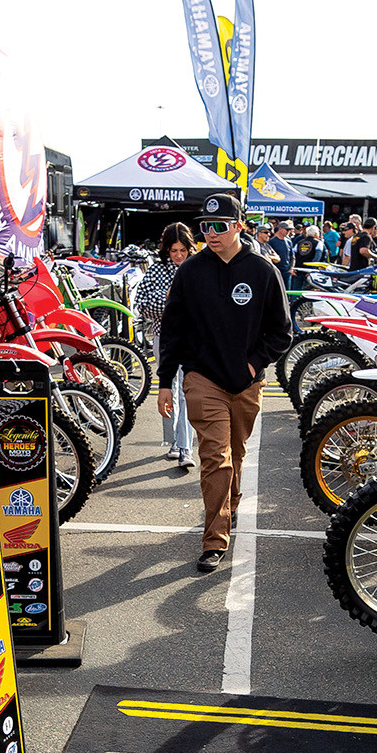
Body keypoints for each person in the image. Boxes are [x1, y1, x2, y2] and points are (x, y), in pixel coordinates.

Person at [155, 192, 292, 574]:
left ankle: (227, 504)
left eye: (220, 226)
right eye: (205, 227)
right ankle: (214, 540)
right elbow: (173, 331)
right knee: (215, 458)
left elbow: (282, 333)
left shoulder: (264, 271)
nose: (211, 233)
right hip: (202, 379)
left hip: (246, 384)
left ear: (239, 226)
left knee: (235, 454)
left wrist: (253, 365)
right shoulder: (190, 271)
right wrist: (165, 381)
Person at [134, 222, 197, 469]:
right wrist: (171, 301)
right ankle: (172, 441)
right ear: (166, 250)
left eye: (183, 249)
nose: (179, 255)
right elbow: (142, 304)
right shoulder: (157, 270)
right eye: (173, 250)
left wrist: (171, 304)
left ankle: (185, 446)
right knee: (167, 388)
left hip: (193, 338)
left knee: (186, 389)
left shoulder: (197, 267)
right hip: (164, 336)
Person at [267, 219, 294, 285]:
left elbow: (292, 257)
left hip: (286, 271)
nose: (288, 231)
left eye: (289, 230)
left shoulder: (289, 242)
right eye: (286, 229)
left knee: (287, 292)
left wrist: (291, 268)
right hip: (276, 271)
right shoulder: (272, 242)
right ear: (280, 229)